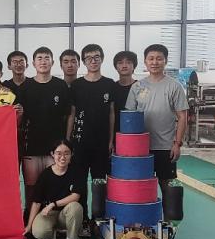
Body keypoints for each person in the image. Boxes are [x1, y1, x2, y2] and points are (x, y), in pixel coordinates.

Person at [125, 44, 189, 201]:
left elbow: (182, 117)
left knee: (167, 187)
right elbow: (129, 117)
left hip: (165, 147)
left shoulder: (174, 86)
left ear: (165, 61)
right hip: (140, 148)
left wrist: (177, 143)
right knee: (140, 188)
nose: (155, 62)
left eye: (159, 59)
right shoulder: (137, 86)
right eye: (151, 59)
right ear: (145, 62)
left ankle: (169, 217)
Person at [19, 47, 70, 224]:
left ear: (52, 62)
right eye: (39, 58)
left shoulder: (60, 86)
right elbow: (19, 117)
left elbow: (68, 115)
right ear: (33, 63)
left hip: (54, 149)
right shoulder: (25, 87)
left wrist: (66, 141)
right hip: (31, 147)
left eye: (46, 58)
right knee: (32, 188)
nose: (43, 61)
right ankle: (30, 222)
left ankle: (53, 223)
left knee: (55, 185)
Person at [66, 44, 117, 223]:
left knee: (99, 182)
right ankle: (83, 221)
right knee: (79, 183)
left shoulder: (109, 84)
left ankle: (98, 220)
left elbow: (112, 113)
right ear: (84, 62)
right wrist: (68, 141)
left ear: (102, 59)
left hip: (101, 143)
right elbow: (72, 114)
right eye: (88, 58)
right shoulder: (76, 85)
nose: (93, 61)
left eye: (96, 57)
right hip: (79, 143)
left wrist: (110, 140)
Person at [25, 140, 84, 239]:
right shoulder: (45, 175)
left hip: (66, 214)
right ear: (52, 154)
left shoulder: (77, 172)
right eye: (58, 153)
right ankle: (52, 233)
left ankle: (71, 238)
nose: (63, 157)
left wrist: (53, 204)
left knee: (76, 207)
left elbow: (75, 196)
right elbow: (37, 202)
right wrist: (29, 225)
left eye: (66, 153)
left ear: (72, 154)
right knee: (38, 231)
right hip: (49, 214)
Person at [111, 50, 138, 135]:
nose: (124, 65)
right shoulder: (111, 87)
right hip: (115, 133)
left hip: (135, 132)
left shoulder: (140, 88)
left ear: (134, 66)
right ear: (116, 67)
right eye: (120, 63)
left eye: (128, 62)